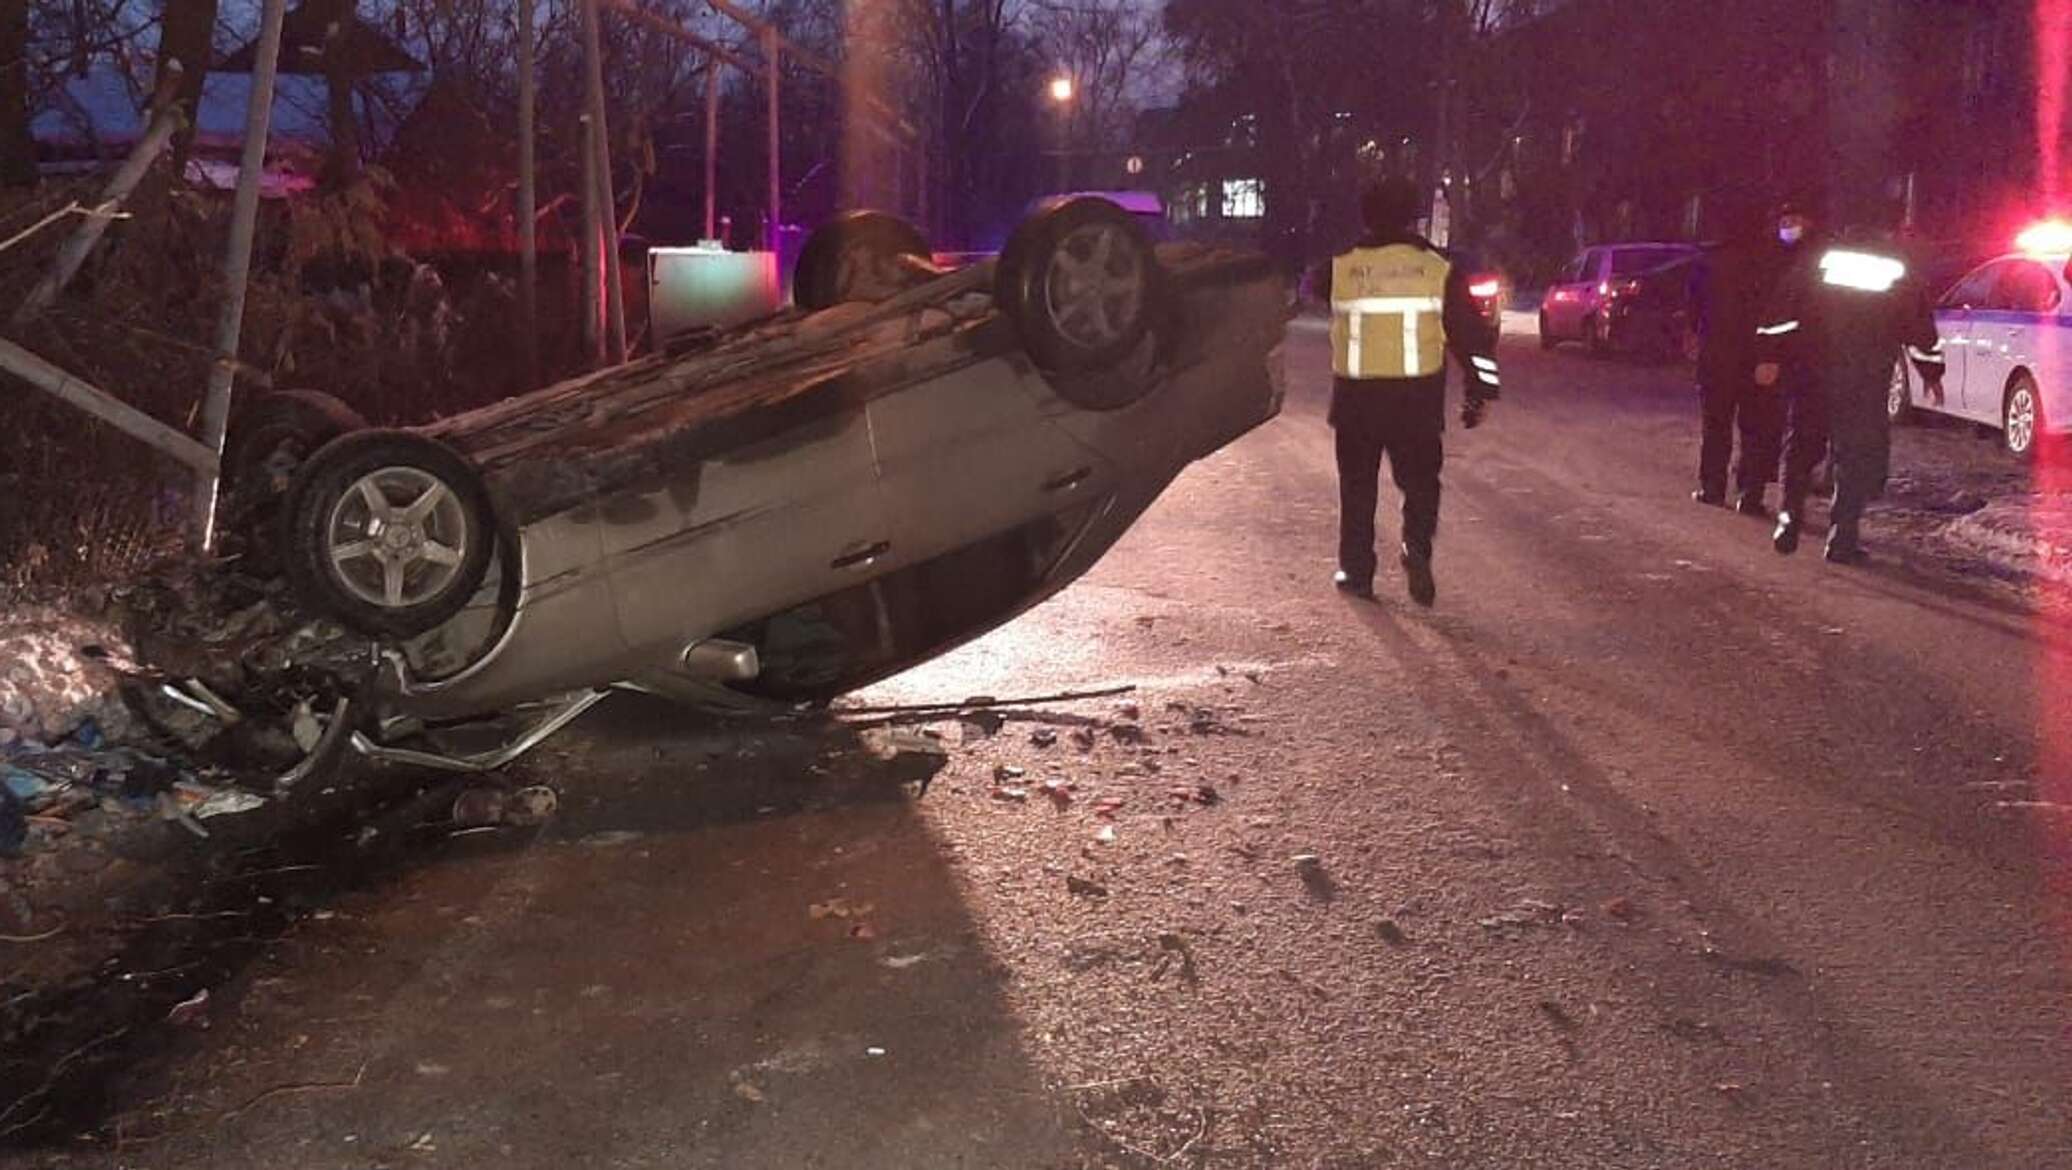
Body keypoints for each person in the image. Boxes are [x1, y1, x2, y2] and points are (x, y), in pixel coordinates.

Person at [1314, 176, 1500, 605]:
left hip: (1356, 403)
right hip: (1415, 403)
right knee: (1420, 484)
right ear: (1413, 216)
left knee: (1357, 488)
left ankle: (1357, 571)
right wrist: (1481, 391)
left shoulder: (1339, 266)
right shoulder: (1437, 268)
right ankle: (1416, 546)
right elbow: (1471, 335)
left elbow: (1309, 290)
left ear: (1365, 216)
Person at [1754, 204, 1944, 563]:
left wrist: (1769, 355)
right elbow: (1919, 329)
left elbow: (1782, 311)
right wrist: (1932, 374)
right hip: (1865, 380)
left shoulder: (1821, 259)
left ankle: (1788, 520)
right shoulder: (1896, 268)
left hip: (1813, 372)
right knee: (1853, 458)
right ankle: (1842, 540)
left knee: (1799, 451)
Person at [1690, 196, 1798, 515]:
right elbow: (1783, 311)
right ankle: (1750, 494)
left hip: (1717, 357)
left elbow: (1695, 309)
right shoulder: (1774, 261)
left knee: (1716, 425)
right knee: (1757, 427)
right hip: (1759, 357)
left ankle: (1712, 488)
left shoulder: (1709, 260)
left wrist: (1696, 340)